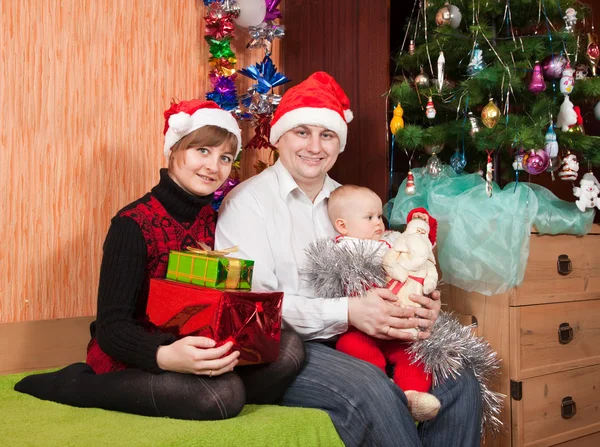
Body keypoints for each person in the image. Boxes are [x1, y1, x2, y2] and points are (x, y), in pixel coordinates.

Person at [216, 72, 482, 446]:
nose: (314, 146)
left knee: (460, 381)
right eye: (301, 132)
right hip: (286, 348)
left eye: (326, 135)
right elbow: (254, 310)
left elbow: (389, 265)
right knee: (372, 389)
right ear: (279, 137)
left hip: (362, 336)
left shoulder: (353, 201)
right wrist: (348, 313)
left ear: (339, 144)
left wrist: (419, 303)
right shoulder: (247, 204)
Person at [14, 99, 305, 421]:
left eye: (225, 158)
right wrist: (164, 356)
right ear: (175, 150)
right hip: (139, 353)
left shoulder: (218, 219)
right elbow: (111, 328)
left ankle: (211, 391)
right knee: (223, 395)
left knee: (289, 347)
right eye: (203, 151)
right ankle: (72, 384)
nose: (214, 166)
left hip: (198, 347)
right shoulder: (133, 223)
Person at [324, 185, 441, 422]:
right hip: (362, 328)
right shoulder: (342, 248)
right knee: (352, 345)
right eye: (369, 217)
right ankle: (380, 388)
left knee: (415, 355)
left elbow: (418, 241)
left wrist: (420, 222)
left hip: (399, 323)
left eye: (379, 216)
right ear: (342, 226)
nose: (378, 222)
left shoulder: (390, 242)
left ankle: (412, 397)